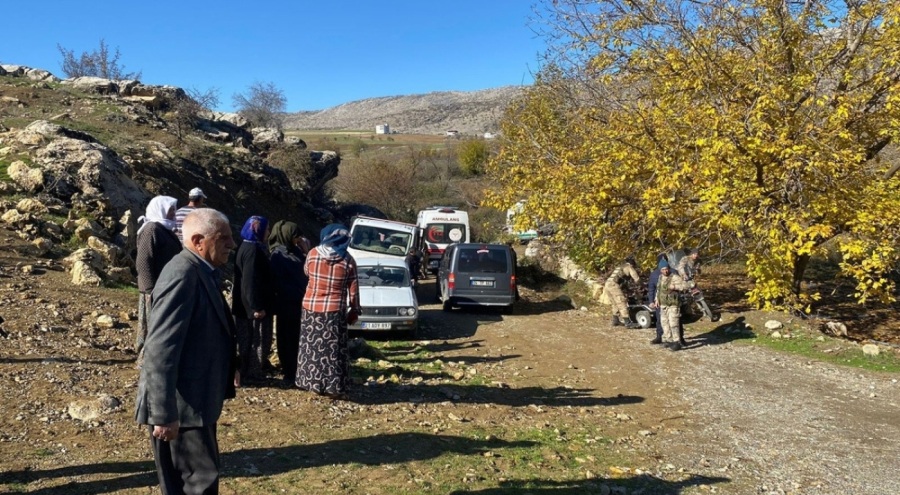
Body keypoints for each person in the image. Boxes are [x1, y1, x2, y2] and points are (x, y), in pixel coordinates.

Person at [134, 208, 238, 495]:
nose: (232, 244)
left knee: (197, 482)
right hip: (181, 408)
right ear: (198, 241)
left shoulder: (202, 271)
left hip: (195, 402)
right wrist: (164, 413)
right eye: (224, 238)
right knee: (196, 485)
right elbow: (160, 348)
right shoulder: (182, 274)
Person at [296, 224, 361, 399]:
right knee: (333, 350)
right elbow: (354, 289)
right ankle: (334, 387)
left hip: (311, 308)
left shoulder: (312, 254)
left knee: (312, 348)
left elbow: (306, 272)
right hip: (334, 311)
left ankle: (313, 384)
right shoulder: (347, 260)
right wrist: (354, 310)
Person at [134, 195, 181, 366]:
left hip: (164, 287)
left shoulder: (165, 229)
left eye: (174, 210)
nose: (173, 213)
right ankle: (146, 361)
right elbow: (143, 261)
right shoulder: (151, 229)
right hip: (154, 289)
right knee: (155, 325)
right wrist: (150, 289)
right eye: (170, 210)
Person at [232, 216, 275, 384]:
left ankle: (248, 372)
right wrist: (256, 306)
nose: (268, 232)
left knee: (247, 340)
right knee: (257, 341)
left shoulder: (245, 246)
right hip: (253, 307)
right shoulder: (253, 251)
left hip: (244, 305)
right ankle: (253, 374)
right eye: (267, 229)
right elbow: (250, 281)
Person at [268, 220, 310, 386]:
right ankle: (290, 372)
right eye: (295, 237)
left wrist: (305, 251)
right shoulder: (278, 255)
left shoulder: (295, 251)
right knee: (287, 338)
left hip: (298, 301)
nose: (298, 240)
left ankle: (298, 370)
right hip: (286, 302)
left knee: (297, 336)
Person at [654, 259, 693, 351]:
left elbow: (686, 286)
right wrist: (656, 299)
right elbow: (659, 289)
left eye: (666, 269)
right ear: (660, 270)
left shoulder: (674, 277)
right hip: (663, 304)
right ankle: (669, 340)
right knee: (664, 323)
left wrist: (675, 287)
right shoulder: (660, 277)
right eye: (663, 269)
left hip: (673, 305)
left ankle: (677, 342)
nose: (665, 271)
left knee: (673, 323)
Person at [604, 257, 641, 328]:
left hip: (607, 284)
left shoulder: (620, 266)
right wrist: (640, 284)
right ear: (632, 264)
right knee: (622, 302)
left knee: (614, 303)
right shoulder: (629, 266)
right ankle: (628, 322)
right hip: (613, 284)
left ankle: (615, 320)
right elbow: (636, 278)